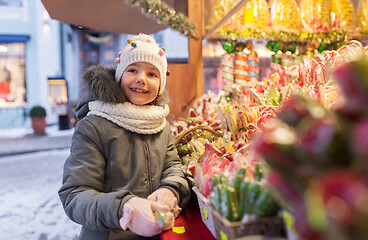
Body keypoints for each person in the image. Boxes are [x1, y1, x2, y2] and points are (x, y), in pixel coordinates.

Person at [58, 33, 191, 240]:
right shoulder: (94, 126)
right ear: (120, 75)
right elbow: (75, 196)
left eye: (152, 74)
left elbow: (173, 166)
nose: (141, 79)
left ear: (161, 84)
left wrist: (171, 189)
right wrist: (124, 208)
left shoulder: (160, 124)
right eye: (132, 70)